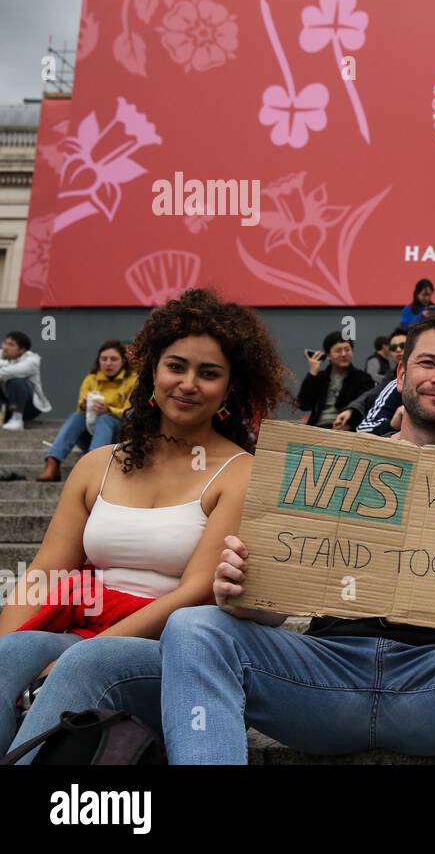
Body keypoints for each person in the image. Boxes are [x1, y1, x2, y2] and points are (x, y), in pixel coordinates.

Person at [158, 313, 435, 764]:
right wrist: (247, 596)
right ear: (401, 375)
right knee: (193, 627)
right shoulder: (334, 465)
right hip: (322, 677)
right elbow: (273, 610)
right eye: (427, 364)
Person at [2, 289, 288, 758]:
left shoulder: (241, 472)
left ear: (230, 388)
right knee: (6, 657)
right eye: (176, 366)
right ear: (152, 370)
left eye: (209, 373)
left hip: (173, 653)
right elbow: (44, 573)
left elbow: (194, 592)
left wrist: (75, 655)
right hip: (80, 629)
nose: (188, 383)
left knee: (87, 662)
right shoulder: (97, 464)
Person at [38, 340, 139, 483]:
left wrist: (108, 410)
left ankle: (93, 467)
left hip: (119, 435)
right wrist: (85, 405)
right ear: (98, 361)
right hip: (93, 436)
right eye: (104, 359)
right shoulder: (91, 379)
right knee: (77, 416)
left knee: (105, 419)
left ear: (123, 361)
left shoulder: (133, 379)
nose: (108, 363)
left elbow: (130, 412)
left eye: (113, 359)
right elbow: (80, 406)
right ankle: (52, 463)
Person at [297, 331, 374, 429]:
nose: (343, 354)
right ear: (328, 355)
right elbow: (303, 405)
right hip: (317, 427)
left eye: (347, 349)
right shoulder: (321, 377)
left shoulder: (363, 378)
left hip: (346, 428)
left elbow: (364, 405)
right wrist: (312, 374)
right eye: (338, 351)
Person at [333, 329, 406, 432]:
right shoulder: (389, 378)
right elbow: (371, 393)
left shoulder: (362, 376)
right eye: (394, 347)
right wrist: (351, 410)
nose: (398, 350)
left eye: (403, 346)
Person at [0, 331, 52, 431]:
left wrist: (3, 364)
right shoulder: (3, 354)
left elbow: (10, 372)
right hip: (6, 405)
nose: (6, 347)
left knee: (16, 380)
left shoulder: (32, 360)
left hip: (29, 407)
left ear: (22, 350)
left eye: (11, 345)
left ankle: (17, 419)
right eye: (5, 343)